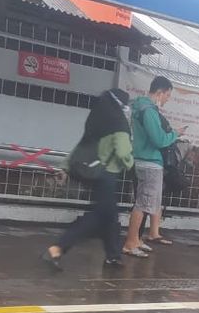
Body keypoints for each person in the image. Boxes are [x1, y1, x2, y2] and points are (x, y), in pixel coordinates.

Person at [41, 89, 131, 271]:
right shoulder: (120, 123)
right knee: (98, 216)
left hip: (93, 173)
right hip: (107, 174)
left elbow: (81, 145)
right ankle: (57, 248)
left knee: (110, 217)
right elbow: (123, 152)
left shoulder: (96, 119)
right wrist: (130, 163)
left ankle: (113, 256)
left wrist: (65, 167)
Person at [123, 76, 178, 258]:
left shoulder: (140, 108)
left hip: (142, 159)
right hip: (149, 162)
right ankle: (131, 243)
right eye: (167, 95)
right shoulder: (149, 111)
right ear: (160, 92)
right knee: (143, 204)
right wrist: (175, 134)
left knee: (146, 204)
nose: (168, 99)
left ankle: (137, 240)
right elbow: (159, 139)